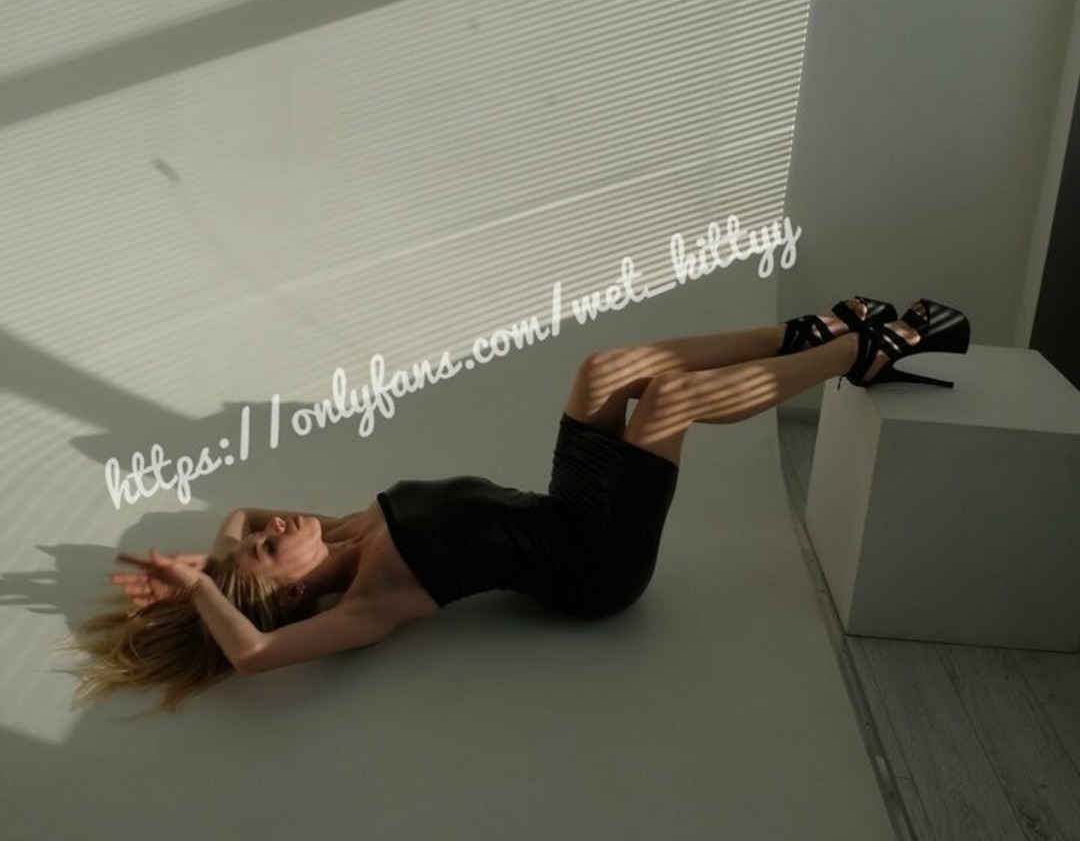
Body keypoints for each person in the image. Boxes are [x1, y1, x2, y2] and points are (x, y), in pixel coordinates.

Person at [68, 295, 969, 714]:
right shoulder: (375, 600)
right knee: (672, 400)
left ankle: (799, 330)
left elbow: (234, 513)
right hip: (596, 563)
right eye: (270, 550)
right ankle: (864, 352)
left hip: (562, 505)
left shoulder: (339, 529)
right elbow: (256, 654)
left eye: (262, 537)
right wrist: (208, 592)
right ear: (295, 591)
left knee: (601, 370)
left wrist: (214, 562)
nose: (269, 528)